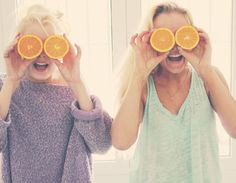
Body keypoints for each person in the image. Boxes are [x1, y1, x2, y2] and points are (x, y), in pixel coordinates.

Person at [112, 2, 236, 183]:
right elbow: (121, 142)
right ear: (150, 40)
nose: (175, 45)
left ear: (193, 36)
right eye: (165, 36)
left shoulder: (209, 78)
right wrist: (139, 74)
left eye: (182, 35)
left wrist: (206, 70)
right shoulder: (143, 86)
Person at [0, 4, 112, 183]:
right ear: (19, 46)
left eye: (50, 44)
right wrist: (11, 82)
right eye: (33, 44)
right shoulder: (7, 89)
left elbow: (102, 144)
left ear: (61, 47)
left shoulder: (74, 92)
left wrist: (77, 83)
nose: (42, 54)